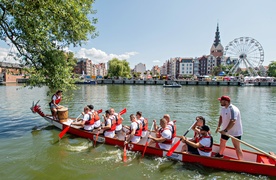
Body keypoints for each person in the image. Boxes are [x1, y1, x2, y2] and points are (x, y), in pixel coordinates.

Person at [215, 95, 243, 160]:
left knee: (237, 147)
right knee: (222, 141)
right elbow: (221, 117)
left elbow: (233, 121)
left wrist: (225, 130)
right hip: (225, 130)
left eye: (221, 101)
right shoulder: (223, 108)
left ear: (226, 102)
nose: (220, 102)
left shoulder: (233, 109)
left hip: (235, 131)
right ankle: (220, 154)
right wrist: (219, 126)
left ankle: (241, 161)